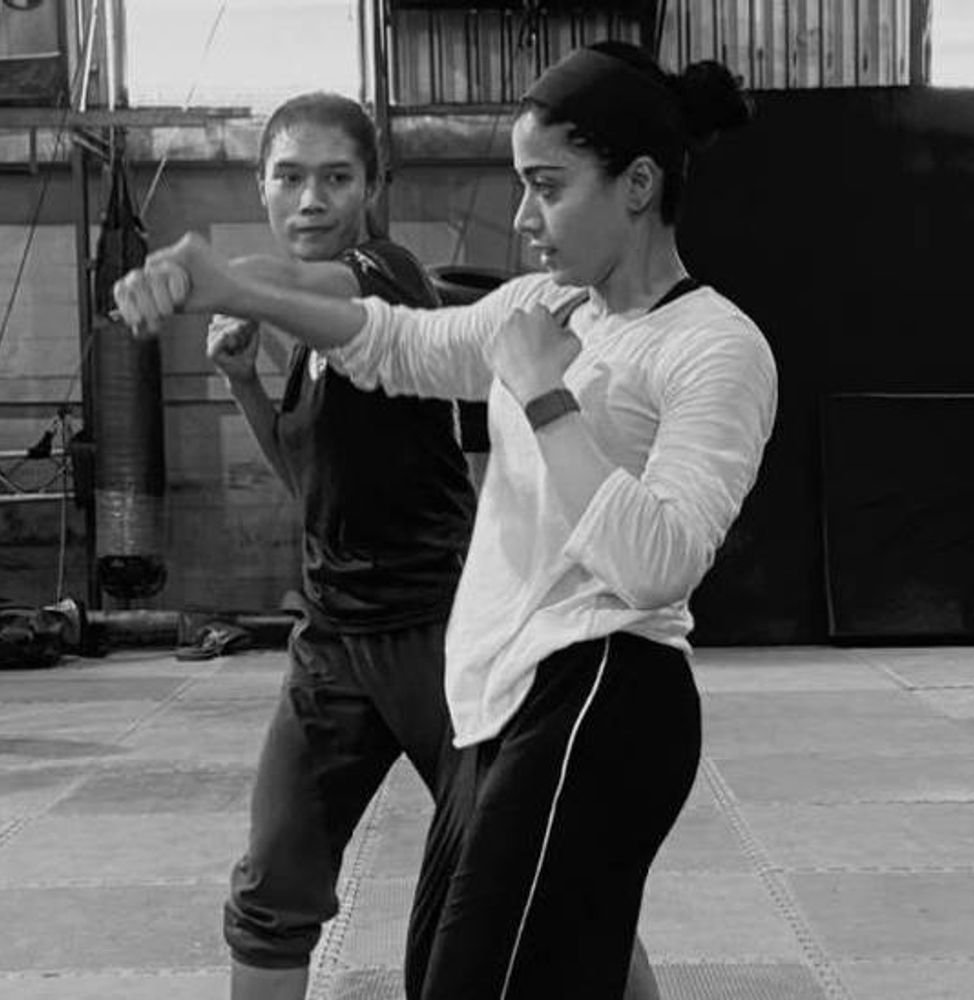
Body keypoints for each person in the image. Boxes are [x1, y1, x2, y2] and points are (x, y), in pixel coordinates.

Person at [115, 42, 777, 999]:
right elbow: (399, 342)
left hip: (604, 689)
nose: (523, 218)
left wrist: (546, 395)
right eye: (522, 186)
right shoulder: (544, 306)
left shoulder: (714, 344)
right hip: (496, 694)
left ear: (638, 185)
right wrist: (229, 288)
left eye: (547, 187)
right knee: (447, 975)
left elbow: (660, 562)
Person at [202, 92, 478, 1000]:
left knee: (530, 870)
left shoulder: (386, 277)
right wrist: (244, 381)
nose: (311, 199)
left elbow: (335, 292)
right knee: (272, 889)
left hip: (439, 633)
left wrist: (234, 282)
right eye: (289, 177)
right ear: (262, 185)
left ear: (372, 186)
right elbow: (309, 483)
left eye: (336, 177)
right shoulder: (303, 343)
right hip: (331, 642)